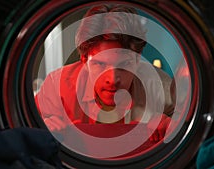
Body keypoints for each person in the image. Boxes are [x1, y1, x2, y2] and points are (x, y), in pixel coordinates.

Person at [35, 4, 174, 142]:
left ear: (137, 59)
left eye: (124, 64)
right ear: (84, 59)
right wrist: (42, 128)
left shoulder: (161, 86)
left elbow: (189, 129)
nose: (113, 79)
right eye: (100, 64)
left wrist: (172, 124)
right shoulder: (56, 88)